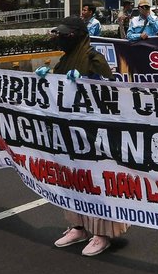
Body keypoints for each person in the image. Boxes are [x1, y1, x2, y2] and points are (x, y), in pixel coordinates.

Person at [51, 16, 127, 256]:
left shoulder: (94, 59)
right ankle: (78, 226)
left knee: (96, 181)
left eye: (66, 35)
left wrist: (86, 83)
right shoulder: (64, 61)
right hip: (69, 133)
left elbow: (108, 93)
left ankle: (102, 233)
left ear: (78, 35)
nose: (61, 39)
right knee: (72, 179)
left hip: (94, 135)